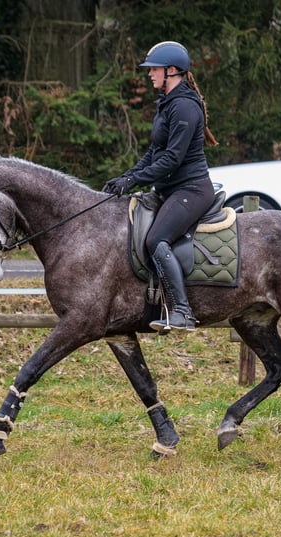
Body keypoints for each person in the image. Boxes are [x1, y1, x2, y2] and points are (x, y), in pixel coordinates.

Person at [102, 41, 219, 332]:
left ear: (171, 71)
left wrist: (135, 180)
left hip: (191, 190)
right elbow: (155, 152)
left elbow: (172, 159)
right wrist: (127, 177)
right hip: (170, 190)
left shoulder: (183, 107)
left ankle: (182, 311)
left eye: (154, 69)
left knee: (156, 240)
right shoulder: (167, 103)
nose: (149, 74)